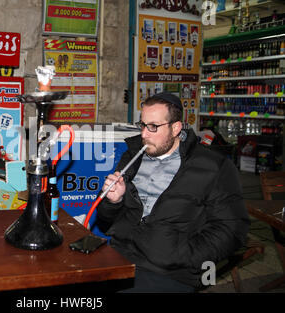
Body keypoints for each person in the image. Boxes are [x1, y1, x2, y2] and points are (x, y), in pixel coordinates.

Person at [97, 92, 250, 292]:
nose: (144, 134)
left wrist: (185, 256)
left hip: (169, 270)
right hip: (121, 255)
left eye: (153, 127)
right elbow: (106, 218)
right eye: (142, 125)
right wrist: (113, 201)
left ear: (176, 128)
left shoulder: (213, 166)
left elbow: (232, 228)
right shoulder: (132, 155)